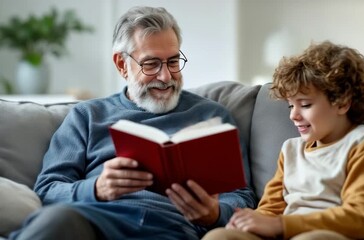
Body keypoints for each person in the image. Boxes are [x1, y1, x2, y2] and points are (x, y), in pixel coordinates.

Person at [9, 6, 256, 240]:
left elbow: (241, 196)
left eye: (172, 61)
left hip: (172, 228)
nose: (165, 76)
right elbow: (47, 189)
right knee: (57, 221)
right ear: (122, 65)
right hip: (96, 221)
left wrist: (215, 213)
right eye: (151, 64)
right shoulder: (87, 116)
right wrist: (96, 189)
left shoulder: (212, 117)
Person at [202, 41, 364, 240]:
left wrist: (281, 225)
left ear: (342, 103)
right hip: (287, 234)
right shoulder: (291, 150)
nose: (293, 116)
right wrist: (248, 223)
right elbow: (271, 208)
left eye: (305, 105)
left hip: (339, 236)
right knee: (219, 236)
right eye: (291, 106)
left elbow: (361, 218)